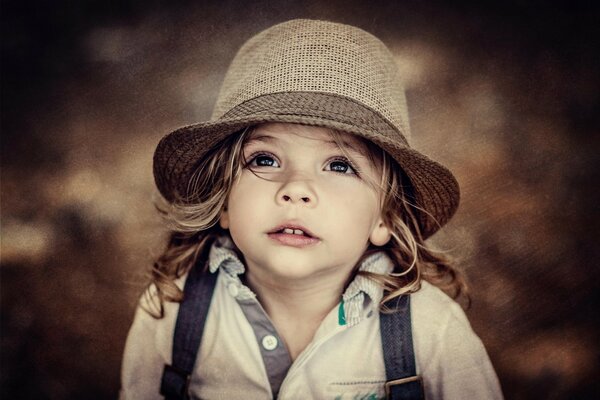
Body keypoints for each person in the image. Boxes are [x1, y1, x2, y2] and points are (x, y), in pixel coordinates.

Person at [120, 19, 503, 400]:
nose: (296, 189)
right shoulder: (170, 308)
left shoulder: (431, 331)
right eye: (265, 159)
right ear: (223, 201)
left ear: (386, 217)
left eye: (340, 165)